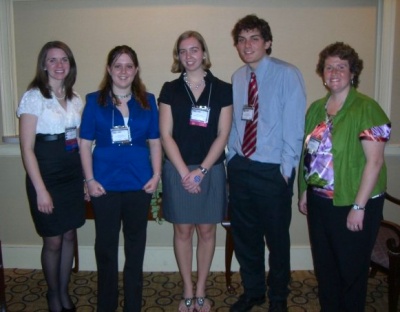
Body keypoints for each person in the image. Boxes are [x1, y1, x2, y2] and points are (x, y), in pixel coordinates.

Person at [298, 42, 391, 312]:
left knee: (351, 271)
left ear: (353, 72)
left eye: (341, 66)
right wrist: (305, 189)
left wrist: (359, 207)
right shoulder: (316, 109)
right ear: (322, 72)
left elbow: (374, 162)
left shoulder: (367, 108)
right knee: (325, 268)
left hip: (354, 202)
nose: (334, 72)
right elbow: (308, 154)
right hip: (320, 202)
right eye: (329, 67)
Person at [227, 15, 306, 312]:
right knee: (246, 238)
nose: (247, 45)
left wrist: (286, 170)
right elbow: (237, 120)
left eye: (254, 38)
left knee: (277, 240)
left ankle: (278, 298)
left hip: (272, 171)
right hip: (241, 166)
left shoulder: (287, 74)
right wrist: (232, 157)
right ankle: (254, 291)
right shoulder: (237, 78)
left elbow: (295, 125)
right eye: (242, 39)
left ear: (267, 42)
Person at [79, 45, 162, 312]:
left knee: (135, 249)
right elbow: (84, 144)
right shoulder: (94, 101)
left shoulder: (148, 100)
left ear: (136, 70)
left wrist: (157, 175)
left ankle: (133, 306)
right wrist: (89, 180)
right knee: (106, 249)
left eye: (128, 66)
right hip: (104, 185)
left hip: (139, 184)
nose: (123, 71)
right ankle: (106, 306)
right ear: (109, 70)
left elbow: (156, 142)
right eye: (117, 65)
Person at [158, 30, 232, 312]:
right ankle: (187, 288)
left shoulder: (222, 89)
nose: (188, 56)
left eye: (194, 49)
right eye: (182, 51)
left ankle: (201, 289)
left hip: (210, 170)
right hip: (177, 169)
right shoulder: (170, 89)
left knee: (207, 231)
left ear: (204, 53)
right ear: (178, 56)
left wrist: (200, 171)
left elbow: (223, 134)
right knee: (183, 231)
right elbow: (166, 135)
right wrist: (184, 172)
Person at [17, 41, 85, 312]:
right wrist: (41, 190)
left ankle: (64, 291)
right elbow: (26, 148)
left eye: (64, 59)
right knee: (53, 240)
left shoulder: (75, 98)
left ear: (70, 64)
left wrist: (83, 180)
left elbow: (79, 143)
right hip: (44, 176)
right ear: (43, 64)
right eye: (53, 60)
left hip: (71, 176)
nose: (59, 65)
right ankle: (53, 294)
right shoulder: (33, 97)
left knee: (69, 235)